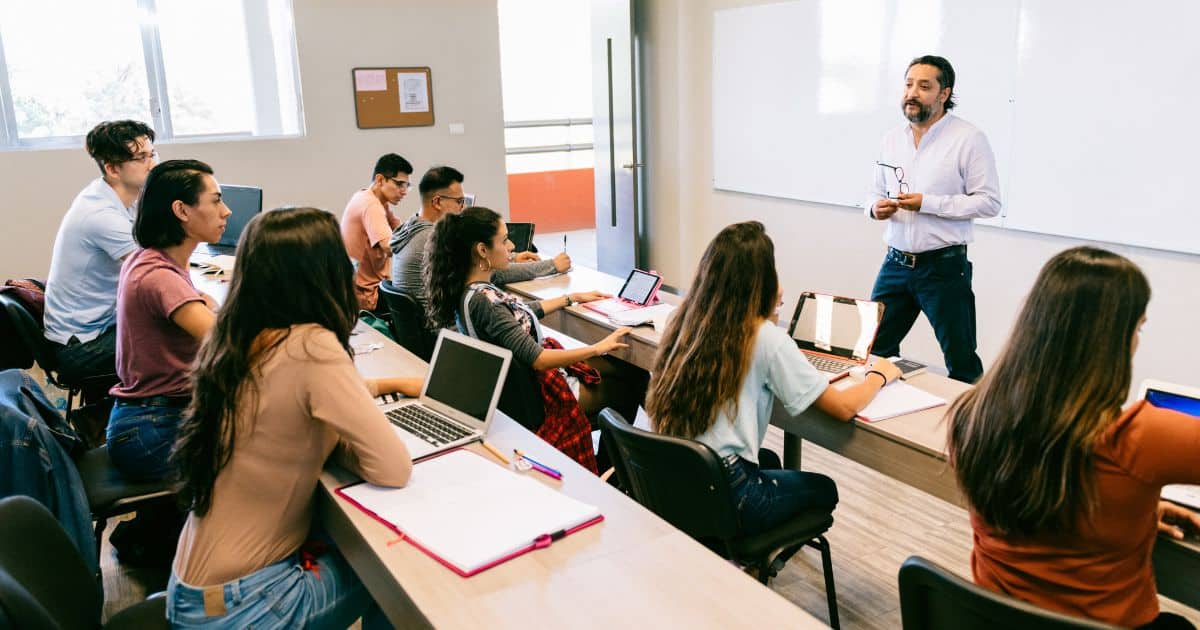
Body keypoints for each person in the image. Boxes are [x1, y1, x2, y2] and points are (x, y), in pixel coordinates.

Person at [169, 207, 421, 628]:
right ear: (323, 274)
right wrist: (343, 444)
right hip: (246, 606)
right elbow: (393, 468)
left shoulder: (236, 337)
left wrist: (372, 391)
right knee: (399, 568)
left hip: (195, 594)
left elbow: (286, 407)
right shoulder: (312, 345)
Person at [947, 246, 1200, 629]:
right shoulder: (1142, 437)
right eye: (1138, 327)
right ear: (1111, 340)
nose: (1137, 341)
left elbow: (1050, 500)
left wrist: (1135, 512)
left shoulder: (972, 415)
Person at [647, 221, 900, 536]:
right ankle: (750, 562)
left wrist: (767, 313)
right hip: (728, 491)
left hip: (675, 476)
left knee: (769, 459)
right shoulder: (764, 338)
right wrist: (879, 375)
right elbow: (844, 408)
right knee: (823, 490)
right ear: (761, 281)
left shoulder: (685, 319)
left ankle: (740, 551)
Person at [424, 207, 641, 472]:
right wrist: (598, 346)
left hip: (519, 391)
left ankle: (610, 466)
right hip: (541, 398)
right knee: (632, 383)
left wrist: (570, 298)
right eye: (504, 241)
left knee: (624, 369)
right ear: (482, 250)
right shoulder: (486, 302)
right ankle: (610, 469)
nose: (511, 246)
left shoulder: (470, 289)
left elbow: (517, 318)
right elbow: (538, 359)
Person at [865, 55, 1000, 384]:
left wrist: (928, 203)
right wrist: (874, 208)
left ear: (944, 94)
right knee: (873, 350)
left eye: (924, 86)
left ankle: (971, 432)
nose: (913, 93)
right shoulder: (891, 139)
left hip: (943, 268)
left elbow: (989, 202)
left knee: (961, 360)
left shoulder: (968, 139)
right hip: (895, 264)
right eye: (909, 84)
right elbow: (871, 193)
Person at [106, 160, 227, 482]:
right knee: (280, 449)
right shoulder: (160, 276)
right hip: (153, 431)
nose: (226, 211)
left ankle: (152, 527)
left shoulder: (151, 259)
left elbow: (205, 307)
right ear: (181, 210)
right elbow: (229, 343)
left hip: (146, 419)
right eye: (216, 200)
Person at [43, 120, 158, 382]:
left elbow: (155, 249)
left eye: (152, 154)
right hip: (80, 348)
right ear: (112, 168)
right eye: (141, 157)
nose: (153, 163)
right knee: (179, 337)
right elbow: (153, 272)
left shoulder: (123, 198)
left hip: (102, 325)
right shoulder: (100, 214)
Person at [389, 165, 570, 309]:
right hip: (445, 333)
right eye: (459, 201)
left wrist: (513, 257)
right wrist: (552, 265)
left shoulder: (410, 228)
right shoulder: (432, 239)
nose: (463, 208)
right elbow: (492, 272)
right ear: (437, 202)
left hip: (428, 331)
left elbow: (472, 261)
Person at [340, 153, 412, 313]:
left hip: (357, 290)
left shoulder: (369, 197)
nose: (404, 191)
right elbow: (390, 247)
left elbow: (401, 229)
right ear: (380, 180)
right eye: (399, 184)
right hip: (366, 296)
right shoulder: (371, 205)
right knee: (421, 305)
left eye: (407, 186)